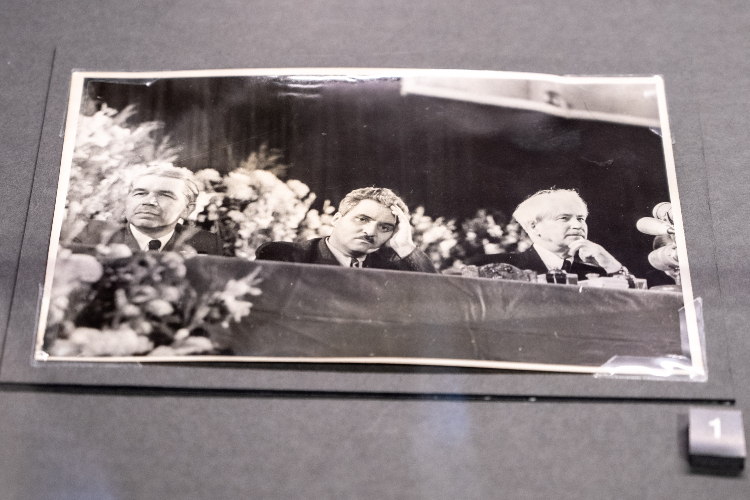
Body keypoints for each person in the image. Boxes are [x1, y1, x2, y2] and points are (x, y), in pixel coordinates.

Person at [256, 187, 437, 273]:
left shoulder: (392, 268)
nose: (370, 232)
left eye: (384, 227)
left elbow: (441, 298)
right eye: (363, 219)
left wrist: (405, 246)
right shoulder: (285, 256)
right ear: (336, 219)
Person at [468, 189, 625, 280]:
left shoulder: (601, 272)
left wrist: (613, 266)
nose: (578, 225)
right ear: (534, 227)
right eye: (564, 218)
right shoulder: (488, 266)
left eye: (581, 218)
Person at [73, 165, 222, 255]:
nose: (149, 202)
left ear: (187, 209)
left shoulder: (206, 242)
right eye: (140, 193)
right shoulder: (90, 234)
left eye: (165, 195)